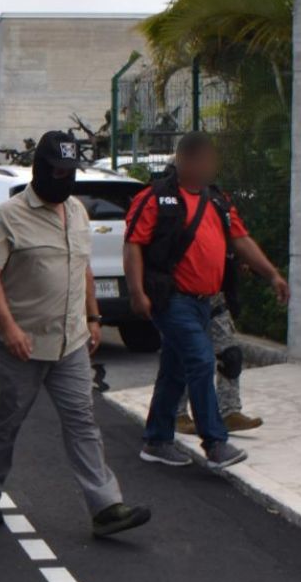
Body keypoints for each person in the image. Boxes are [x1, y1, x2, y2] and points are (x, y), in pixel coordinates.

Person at [0, 131, 150, 537]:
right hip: (21, 345)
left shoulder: (78, 212)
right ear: (40, 171)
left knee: (83, 421)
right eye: (57, 172)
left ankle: (106, 506)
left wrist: (93, 317)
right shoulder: (8, 215)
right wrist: (10, 328)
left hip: (69, 342)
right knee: (4, 423)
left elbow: (82, 266)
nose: (64, 179)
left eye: (70, 171)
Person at [123, 132, 288, 470]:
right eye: (204, 159)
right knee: (200, 360)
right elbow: (134, 245)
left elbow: (241, 240)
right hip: (172, 299)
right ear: (185, 160)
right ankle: (215, 442)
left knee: (175, 369)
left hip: (207, 301)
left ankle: (156, 440)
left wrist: (272, 274)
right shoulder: (154, 199)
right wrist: (137, 291)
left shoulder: (218, 201)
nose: (210, 166)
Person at [173, 299, 263, 434]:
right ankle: (177, 414)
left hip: (214, 298)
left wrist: (273, 278)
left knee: (231, 356)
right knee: (185, 356)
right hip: (182, 298)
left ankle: (230, 413)